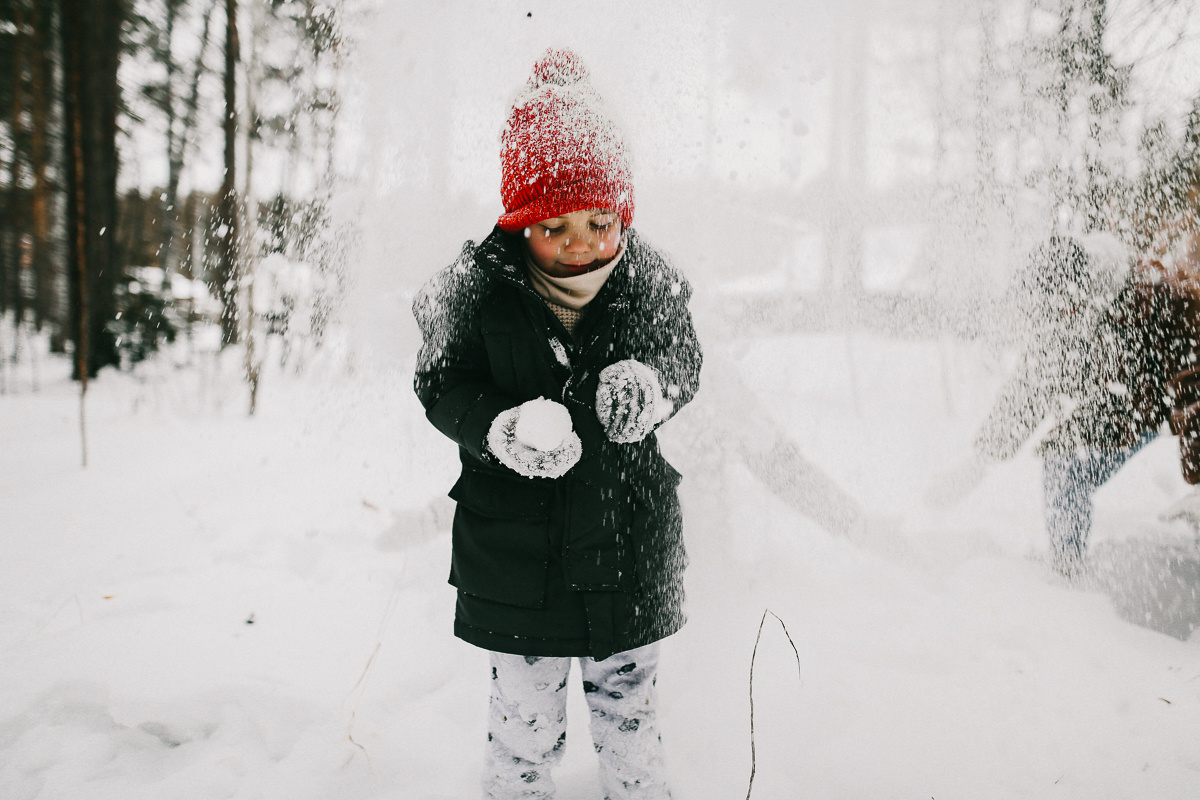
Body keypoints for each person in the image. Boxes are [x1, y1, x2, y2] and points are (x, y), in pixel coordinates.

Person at [412, 49, 701, 800]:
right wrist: (497, 428)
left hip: (627, 552)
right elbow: (441, 381)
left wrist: (653, 384)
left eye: (600, 221)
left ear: (624, 214)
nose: (580, 242)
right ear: (517, 222)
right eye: (555, 225)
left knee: (632, 721)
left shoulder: (651, 282)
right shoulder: (476, 289)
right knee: (522, 731)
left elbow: (684, 358)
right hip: (517, 565)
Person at [934, 235, 1199, 575]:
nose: (1057, 316)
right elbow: (1030, 390)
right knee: (1064, 458)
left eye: (1062, 306)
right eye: (1050, 309)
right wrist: (979, 460)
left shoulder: (1156, 297)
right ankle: (1067, 571)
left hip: (1160, 397)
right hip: (1119, 400)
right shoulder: (1061, 319)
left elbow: (1193, 378)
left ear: (1083, 286)